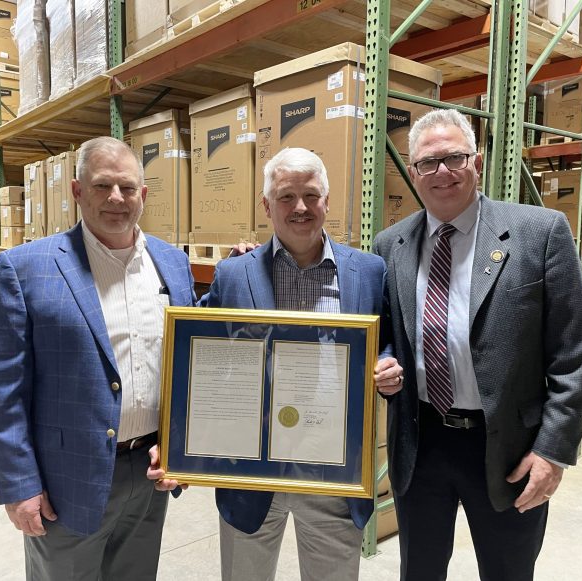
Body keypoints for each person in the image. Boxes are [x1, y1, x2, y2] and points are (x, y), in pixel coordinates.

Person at [149, 147, 403, 580]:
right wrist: (178, 445)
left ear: (327, 201)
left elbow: (386, 339)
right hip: (250, 472)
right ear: (267, 205)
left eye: (311, 195)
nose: (300, 207)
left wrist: (387, 364)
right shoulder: (234, 274)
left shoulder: (368, 271)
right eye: (286, 196)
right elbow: (197, 354)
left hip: (333, 471)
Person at [373, 108, 582, 580]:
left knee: (507, 571)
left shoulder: (540, 232)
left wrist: (553, 451)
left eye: (454, 158)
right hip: (421, 443)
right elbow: (386, 334)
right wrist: (386, 364)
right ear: (413, 173)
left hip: (509, 450)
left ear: (476, 162)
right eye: (428, 163)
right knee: (419, 571)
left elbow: (573, 355)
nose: (443, 172)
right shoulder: (391, 245)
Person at [0, 136, 196, 580]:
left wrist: (183, 447)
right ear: (78, 191)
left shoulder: (172, 264)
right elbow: (4, 392)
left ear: (143, 194)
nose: (116, 197)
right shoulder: (25, 268)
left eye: (128, 187)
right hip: (66, 480)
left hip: (150, 472)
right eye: (102, 185)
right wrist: (19, 485)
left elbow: (189, 364)